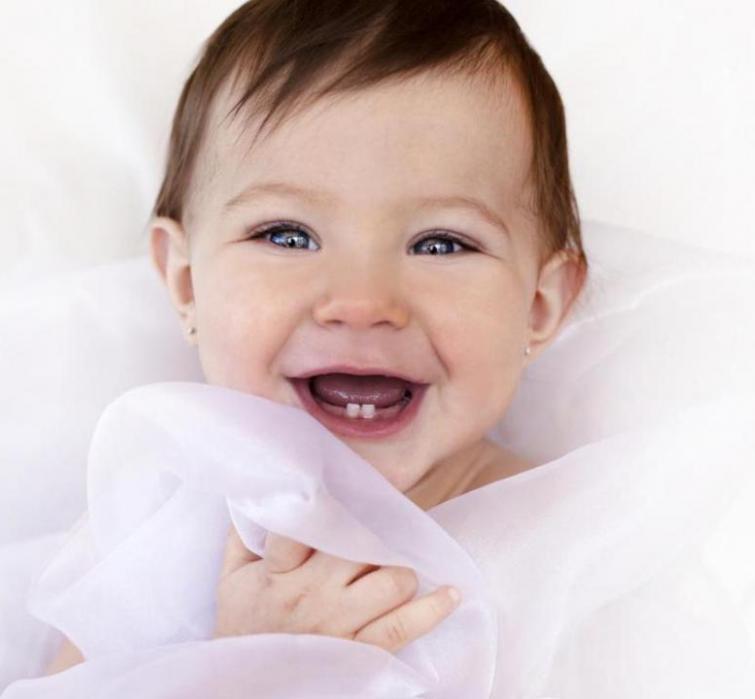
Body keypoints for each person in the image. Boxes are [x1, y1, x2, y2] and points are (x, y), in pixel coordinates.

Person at [47, 0, 586, 675]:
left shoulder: (577, 537)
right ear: (186, 283)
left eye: (441, 243)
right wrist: (243, 671)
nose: (362, 303)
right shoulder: (163, 523)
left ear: (538, 305)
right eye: (287, 235)